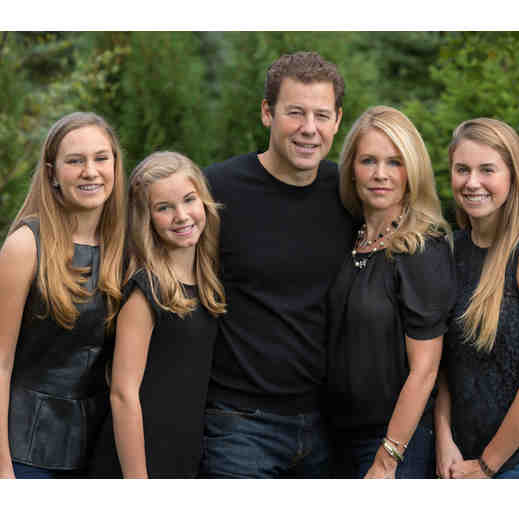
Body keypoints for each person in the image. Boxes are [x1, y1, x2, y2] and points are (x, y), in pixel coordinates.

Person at [200, 51, 355, 478]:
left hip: (327, 426)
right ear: (267, 113)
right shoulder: (217, 190)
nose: (309, 128)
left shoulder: (349, 193)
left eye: (322, 115)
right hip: (239, 425)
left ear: (338, 121)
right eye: (295, 113)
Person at [435, 118, 519, 479]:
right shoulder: (451, 250)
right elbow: (444, 365)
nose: (472, 182)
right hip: (460, 451)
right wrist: (444, 439)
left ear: (513, 177)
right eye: (462, 169)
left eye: (487, 170)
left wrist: (486, 465)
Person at [326, 105, 455, 479]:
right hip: (335, 438)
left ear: (411, 171)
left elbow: (425, 370)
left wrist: (387, 458)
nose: (380, 174)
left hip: (395, 444)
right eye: (368, 161)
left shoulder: (421, 249)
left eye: (394, 162)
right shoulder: (348, 239)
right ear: (352, 168)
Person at [0, 112, 126, 478]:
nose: (90, 171)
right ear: (52, 173)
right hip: (26, 453)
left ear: (115, 165)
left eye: (101, 158)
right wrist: (3, 470)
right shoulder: (25, 246)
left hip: (99, 452)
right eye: (75, 161)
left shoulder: (126, 246)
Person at [89, 151, 226, 478]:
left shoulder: (207, 282)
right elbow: (123, 394)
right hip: (137, 461)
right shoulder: (146, 290)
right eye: (164, 208)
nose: (181, 216)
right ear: (146, 219)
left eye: (189, 200)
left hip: (183, 454)